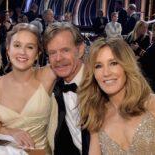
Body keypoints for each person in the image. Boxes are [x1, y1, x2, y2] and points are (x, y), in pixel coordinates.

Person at [78, 38, 155, 154]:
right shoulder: (97, 117)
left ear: (126, 66)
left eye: (114, 63)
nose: (106, 73)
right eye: (98, 66)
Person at [0, 23, 56, 154]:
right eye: (17, 45)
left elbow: (73, 64)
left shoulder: (48, 75)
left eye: (30, 47)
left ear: (37, 53)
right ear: (8, 49)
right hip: (5, 151)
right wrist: (12, 132)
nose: (22, 52)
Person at [43, 22, 89, 155]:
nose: (58, 58)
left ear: (80, 50)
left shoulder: (101, 84)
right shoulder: (54, 87)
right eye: (52, 53)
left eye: (65, 50)